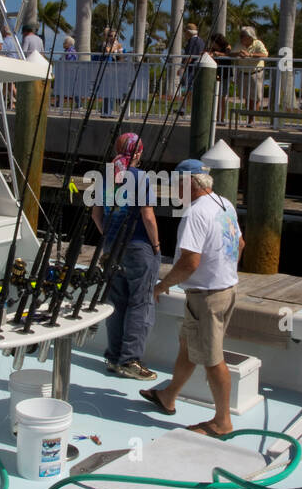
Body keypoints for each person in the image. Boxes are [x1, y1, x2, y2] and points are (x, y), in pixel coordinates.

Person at [142, 159, 244, 437]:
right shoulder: (224, 204)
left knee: (212, 359)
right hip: (225, 290)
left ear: (189, 183)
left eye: (176, 183)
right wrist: (224, 272)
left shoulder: (195, 213)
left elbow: (190, 262)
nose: (174, 189)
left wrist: (161, 286)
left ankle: (222, 422)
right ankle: (168, 396)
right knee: (187, 346)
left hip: (206, 299)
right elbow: (240, 244)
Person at [90, 133, 160, 381]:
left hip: (111, 247)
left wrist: (109, 236)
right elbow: (148, 217)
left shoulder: (105, 176)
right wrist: (157, 245)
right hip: (138, 246)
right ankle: (130, 360)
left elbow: (96, 215)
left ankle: (113, 357)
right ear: (138, 153)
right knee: (140, 303)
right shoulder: (141, 178)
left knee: (117, 302)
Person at [234, 26, 268, 124]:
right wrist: (238, 54)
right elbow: (232, 53)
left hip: (255, 73)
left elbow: (265, 54)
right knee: (247, 97)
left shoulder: (258, 43)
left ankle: (252, 120)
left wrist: (250, 55)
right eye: (241, 36)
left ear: (249, 36)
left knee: (255, 98)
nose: (241, 38)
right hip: (243, 73)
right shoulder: (239, 44)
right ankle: (249, 119)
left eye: (243, 36)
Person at [179, 22, 206, 99]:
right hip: (197, 69)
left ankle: (185, 108)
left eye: (185, 32)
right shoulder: (201, 41)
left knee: (189, 90)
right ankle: (185, 107)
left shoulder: (192, 41)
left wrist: (183, 68)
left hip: (191, 70)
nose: (184, 34)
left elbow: (189, 57)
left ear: (188, 32)